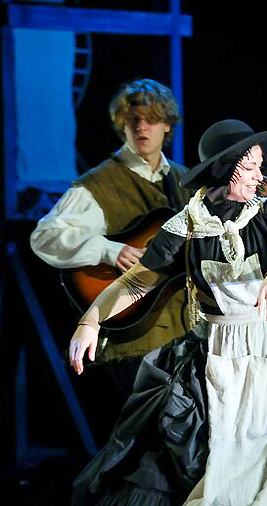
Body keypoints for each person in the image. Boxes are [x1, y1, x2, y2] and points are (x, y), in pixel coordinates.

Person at [68, 119, 267, 505]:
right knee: (196, 461)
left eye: (260, 166)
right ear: (225, 168)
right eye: (251, 167)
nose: (260, 176)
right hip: (217, 356)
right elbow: (136, 283)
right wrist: (91, 320)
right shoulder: (186, 227)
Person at [30, 79, 192, 406]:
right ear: (122, 126)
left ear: (167, 125)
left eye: (151, 118)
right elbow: (45, 236)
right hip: (135, 336)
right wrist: (110, 250)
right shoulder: (100, 182)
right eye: (133, 120)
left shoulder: (184, 180)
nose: (141, 126)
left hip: (186, 331)